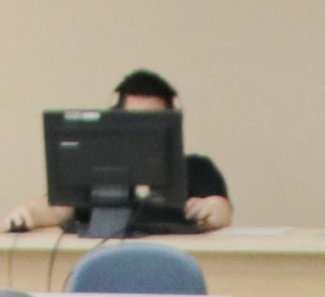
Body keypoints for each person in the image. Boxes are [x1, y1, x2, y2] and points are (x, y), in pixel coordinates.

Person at [15, 68, 234, 233]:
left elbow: (221, 211)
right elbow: (58, 208)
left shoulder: (197, 169)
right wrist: (27, 214)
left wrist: (212, 209)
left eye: (152, 121)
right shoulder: (97, 171)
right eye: (133, 120)